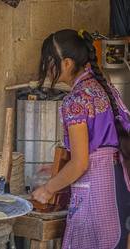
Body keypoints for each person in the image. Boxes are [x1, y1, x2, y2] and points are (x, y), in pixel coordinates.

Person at [32, 29, 130, 249]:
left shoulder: (75, 101)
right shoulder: (103, 88)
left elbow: (80, 163)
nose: (48, 69)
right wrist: (58, 173)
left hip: (96, 194)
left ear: (66, 63)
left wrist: (48, 189)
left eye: (50, 62)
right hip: (118, 187)